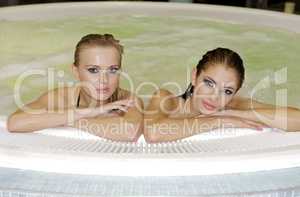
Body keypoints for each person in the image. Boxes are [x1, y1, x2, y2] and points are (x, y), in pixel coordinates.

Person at [144, 47, 300, 143]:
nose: (214, 97)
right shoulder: (167, 100)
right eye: (209, 83)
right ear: (194, 76)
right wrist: (219, 120)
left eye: (227, 91)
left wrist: (234, 113)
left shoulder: (234, 105)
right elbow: (153, 134)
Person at [7, 33, 143, 142]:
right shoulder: (61, 97)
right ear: (76, 71)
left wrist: (69, 119)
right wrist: (90, 112)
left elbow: (130, 132)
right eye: (93, 70)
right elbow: (15, 123)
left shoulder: (127, 99)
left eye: (112, 70)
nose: (104, 80)